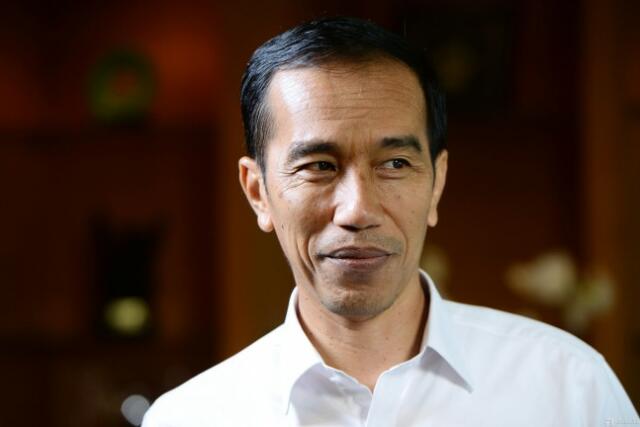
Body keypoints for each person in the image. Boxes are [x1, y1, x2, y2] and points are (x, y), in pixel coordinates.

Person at [143, 16, 638, 426]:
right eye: (319, 166)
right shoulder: (192, 417)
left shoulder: (569, 388)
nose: (358, 210)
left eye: (395, 164)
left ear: (436, 183)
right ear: (258, 193)